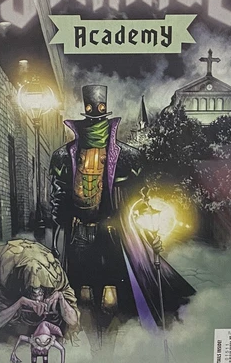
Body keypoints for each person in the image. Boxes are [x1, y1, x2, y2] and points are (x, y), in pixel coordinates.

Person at [49, 85, 195, 349]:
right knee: (82, 298)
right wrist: (59, 227)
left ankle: (109, 352)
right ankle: (92, 353)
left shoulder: (128, 157)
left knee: (111, 298)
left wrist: (151, 234)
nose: (95, 115)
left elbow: (140, 203)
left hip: (113, 237)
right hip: (78, 236)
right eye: (92, 111)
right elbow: (58, 202)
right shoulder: (63, 157)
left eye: (99, 111)